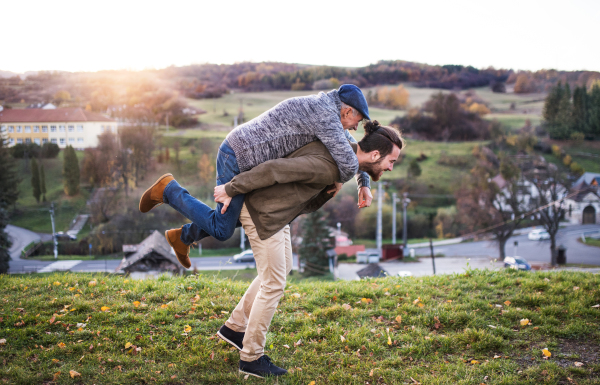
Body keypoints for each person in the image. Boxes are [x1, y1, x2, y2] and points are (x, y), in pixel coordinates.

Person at [211, 121, 403, 378]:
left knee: (282, 269)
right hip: (264, 212)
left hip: (279, 212)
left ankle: (234, 328)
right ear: (376, 154)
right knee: (273, 282)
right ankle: (251, 356)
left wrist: (362, 183)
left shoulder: (344, 150)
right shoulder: (329, 164)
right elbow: (274, 169)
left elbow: (359, 161)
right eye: (391, 161)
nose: (391, 168)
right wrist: (229, 189)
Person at [139, 85, 373, 268]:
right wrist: (350, 177)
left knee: (243, 215)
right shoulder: (325, 115)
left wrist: (364, 184)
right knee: (222, 230)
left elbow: (352, 150)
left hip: (248, 161)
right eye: (357, 121)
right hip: (238, 157)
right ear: (347, 110)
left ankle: (183, 237)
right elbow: (348, 161)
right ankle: (169, 190)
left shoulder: (330, 114)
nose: (355, 127)